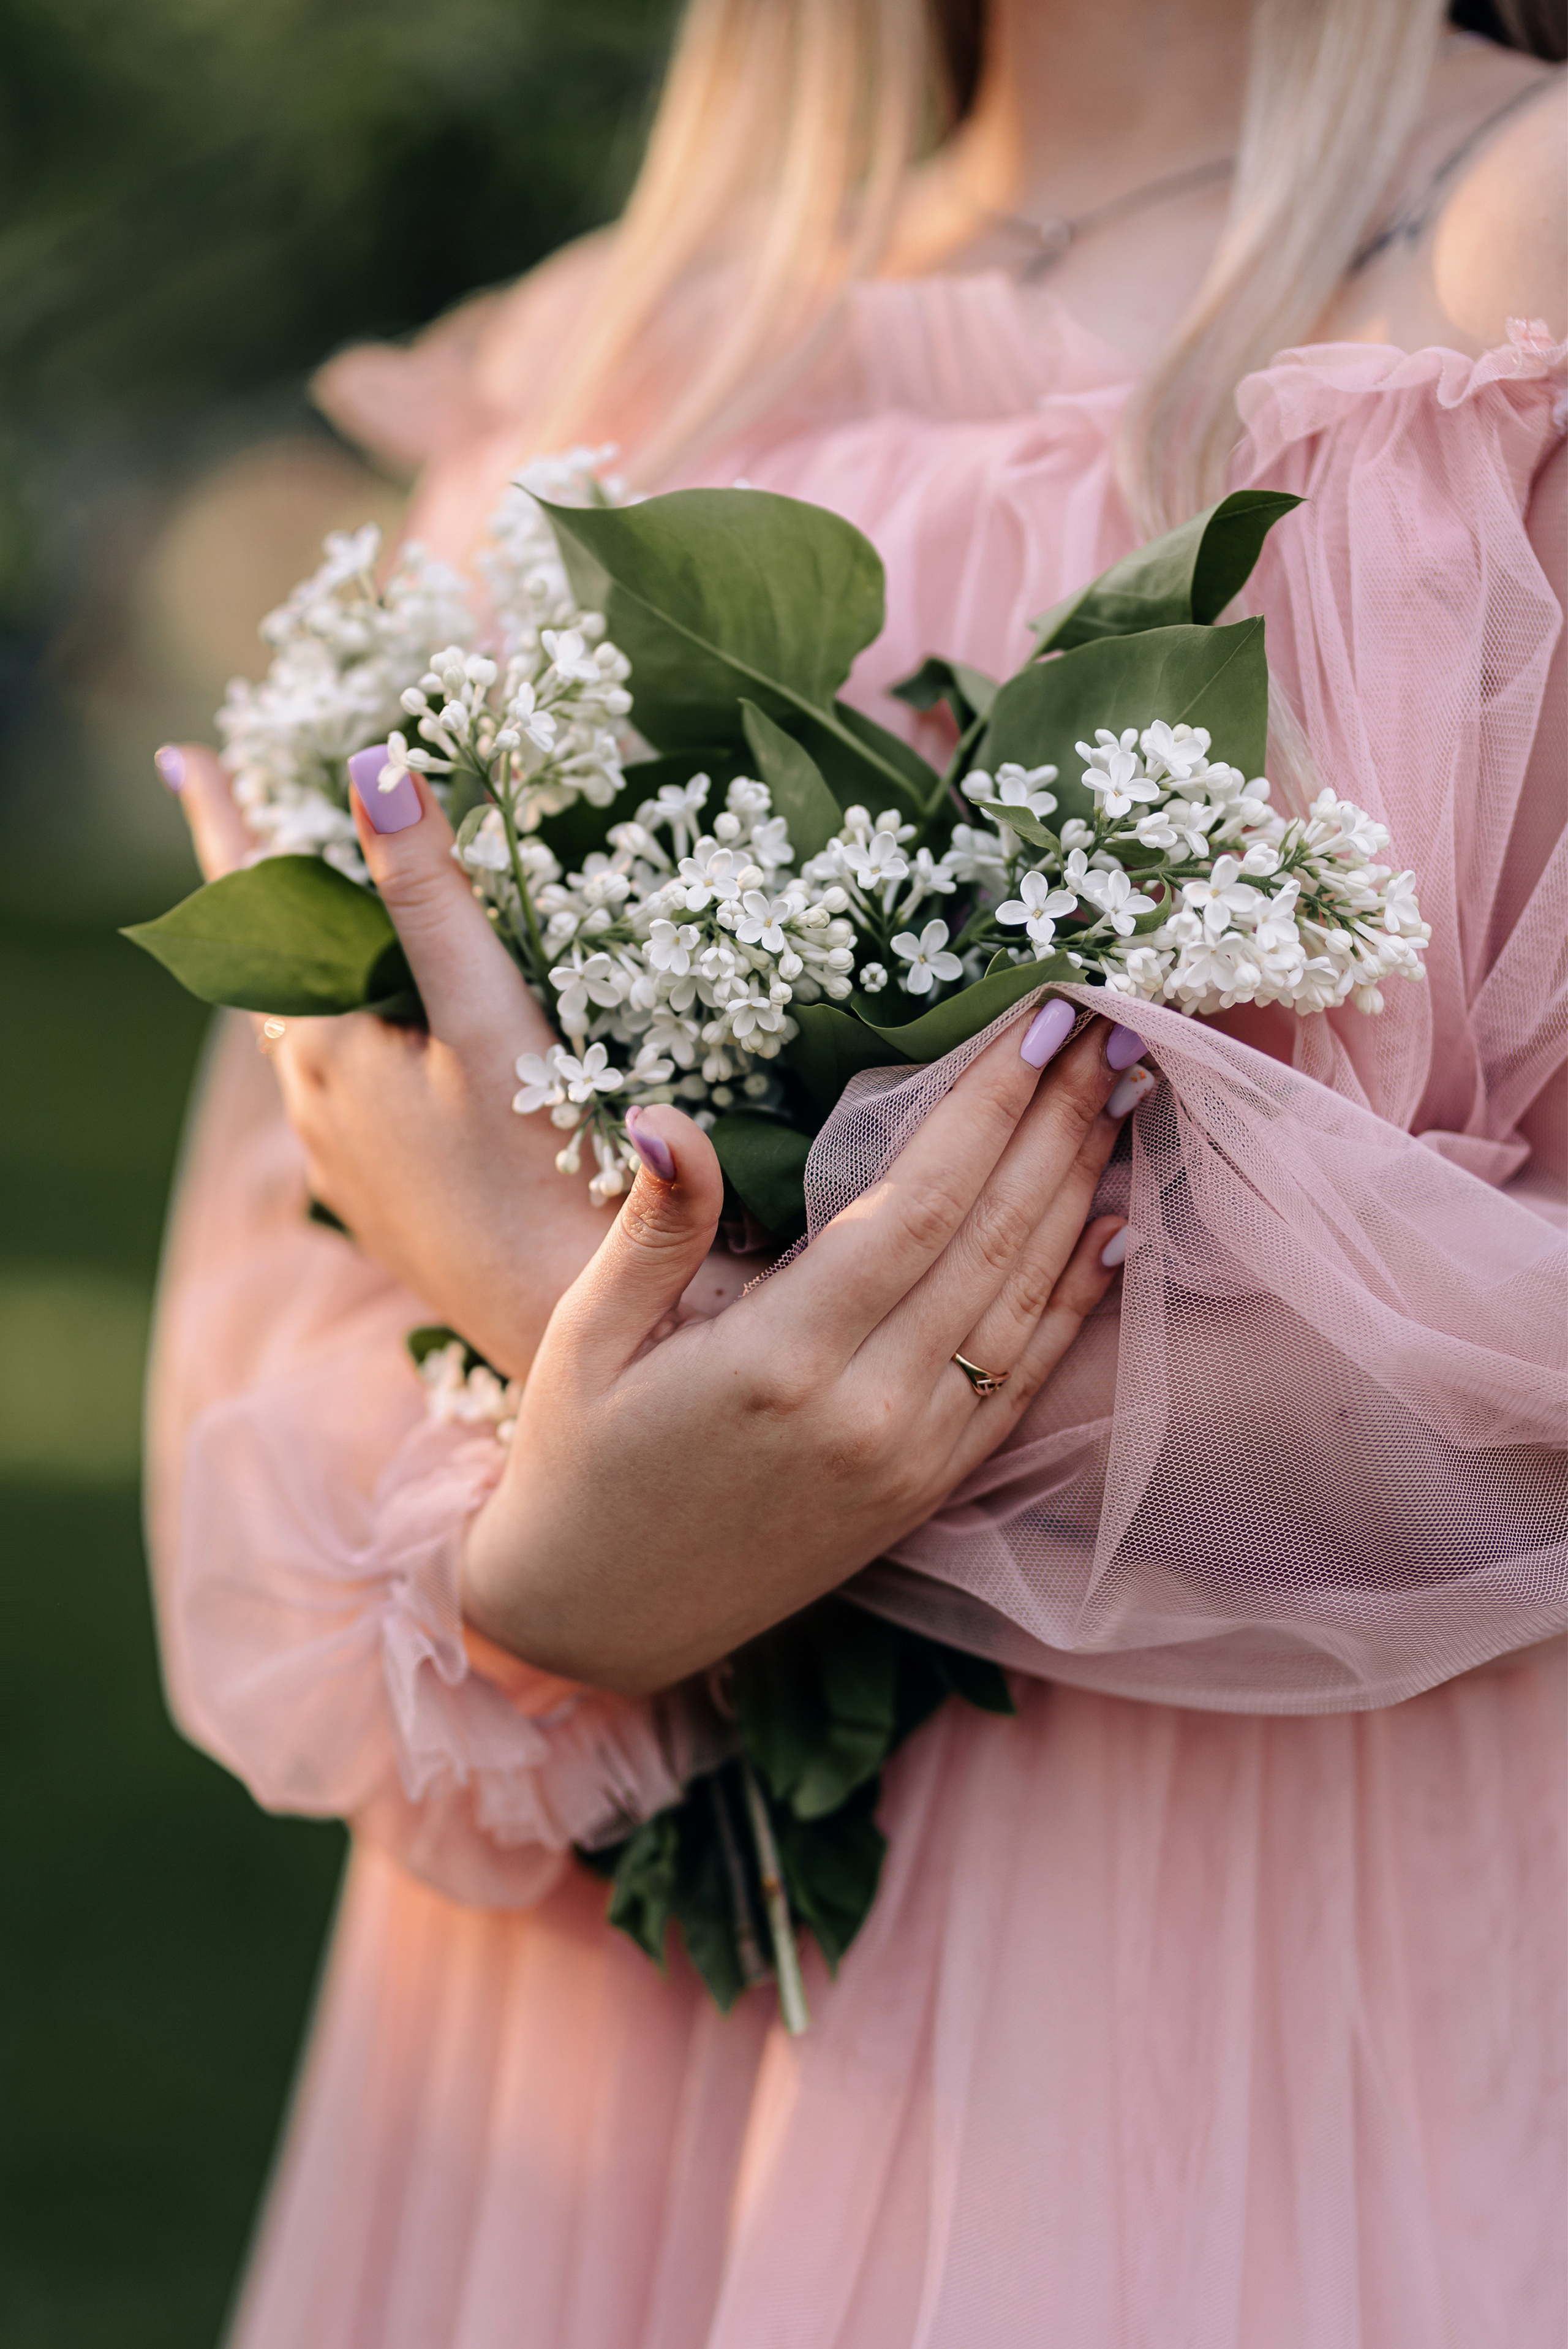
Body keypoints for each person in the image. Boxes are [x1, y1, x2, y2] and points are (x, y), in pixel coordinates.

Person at [151, 2, 1567, 2340]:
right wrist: (544, 1555)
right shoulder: (598, 345)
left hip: (1263, 1991)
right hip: (602, 2038)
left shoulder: (1503, 262)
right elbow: (283, 1249)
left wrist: (670, 1355)